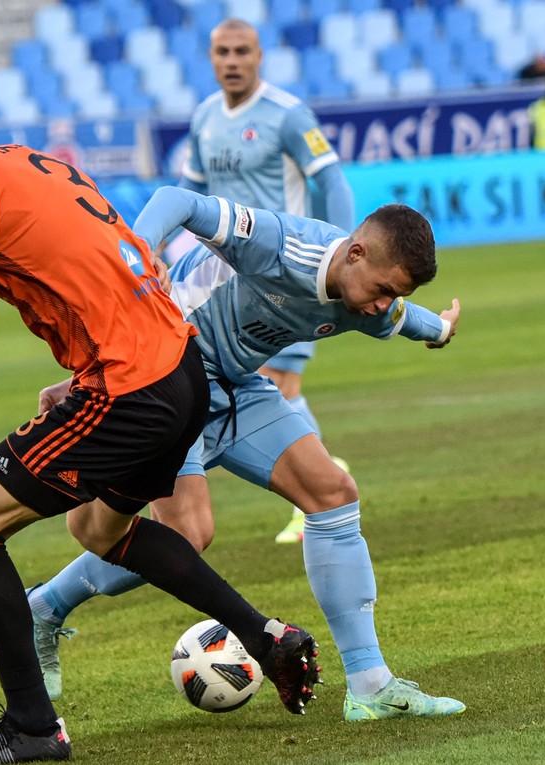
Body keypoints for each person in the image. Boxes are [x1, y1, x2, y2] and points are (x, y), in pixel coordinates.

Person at [0, 86, 321, 764]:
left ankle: (31, 727)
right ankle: (267, 637)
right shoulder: (33, 161)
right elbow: (110, 267)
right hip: (178, 365)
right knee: (98, 529)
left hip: (130, 388)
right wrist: (84, 373)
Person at [27, 187, 466, 723]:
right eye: (381, 289)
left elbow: (402, 317)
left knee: (332, 494)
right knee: (187, 536)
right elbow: (176, 201)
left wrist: (440, 329)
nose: (380, 304)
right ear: (356, 253)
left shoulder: (367, 302)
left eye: (390, 295)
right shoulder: (279, 244)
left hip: (233, 385)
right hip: (164, 378)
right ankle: (45, 606)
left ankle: (370, 684)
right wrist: (138, 261)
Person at [180, 18, 356, 544]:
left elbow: (331, 181)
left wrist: (342, 253)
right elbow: (189, 192)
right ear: (211, 58)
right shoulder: (204, 118)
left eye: (242, 51)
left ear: (260, 56)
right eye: (222, 52)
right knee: (248, 385)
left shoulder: (287, 115)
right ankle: (320, 476)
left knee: (280, 384)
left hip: (287, 278)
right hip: (221, 289)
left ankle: (316, 491)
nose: (231, 61)